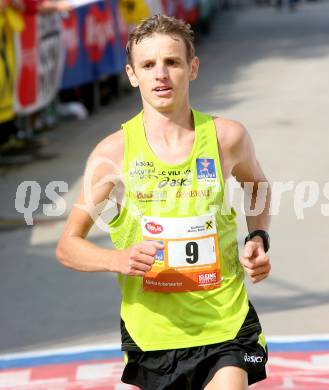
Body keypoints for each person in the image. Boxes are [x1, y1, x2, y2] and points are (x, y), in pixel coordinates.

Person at [56, 14, 272, 390]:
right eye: (148, 64)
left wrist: (258, 238)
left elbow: (257, 186)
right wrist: (116, 259)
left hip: (225, 325)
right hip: (151, 334)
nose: (161, 74)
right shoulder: (114, 153)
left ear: (193, 68)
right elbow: (67, 246)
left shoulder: (227, 137)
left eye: (172, 62)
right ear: (131, 74)